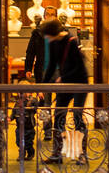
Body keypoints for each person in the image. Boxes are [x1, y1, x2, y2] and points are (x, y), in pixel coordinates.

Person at [38, 19, 90, 161]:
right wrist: (41, 86)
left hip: (79, 83)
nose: (46, 38)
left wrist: (63, 77)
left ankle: (82, 154)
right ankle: (56, 154)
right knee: (59, 116)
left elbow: (79, 67)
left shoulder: (72, 41)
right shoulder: (54, 43)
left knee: (77, 116)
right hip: (65, 84)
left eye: (47, 35)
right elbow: (51, 66)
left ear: (53, 33)